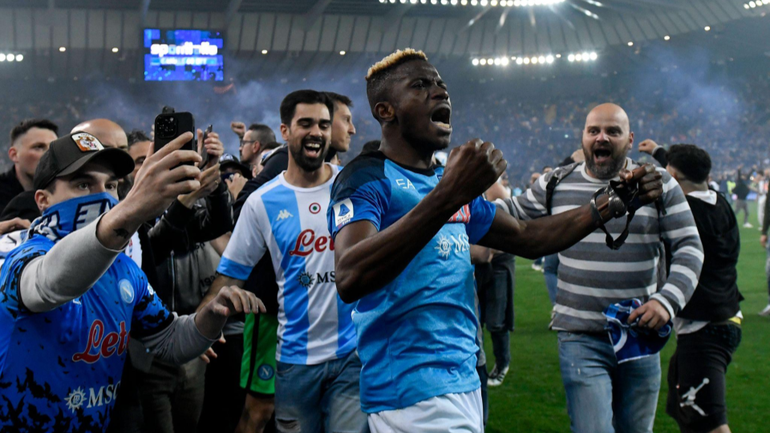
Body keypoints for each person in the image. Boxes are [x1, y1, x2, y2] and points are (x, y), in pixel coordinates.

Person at [328, 49, 663, 432]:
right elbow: (350, 275)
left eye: (441, 84)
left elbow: (527, 236)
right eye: (420, 85)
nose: (440, 92)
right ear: (386, 110)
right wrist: (447, 196)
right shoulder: (367, 177)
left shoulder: (444, 180)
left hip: (463, 373)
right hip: (409, 384)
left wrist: (609, 203)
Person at [0, 131, 263, 431]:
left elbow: (169, 340)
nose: (102, 195)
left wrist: (212, 314)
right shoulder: (20, 256)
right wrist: (133, 208)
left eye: (110, 185)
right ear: (43, 200)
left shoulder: (123, 268)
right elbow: (50, 284)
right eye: (83, 184)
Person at [506, 103, 704, 433]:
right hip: (580, 336)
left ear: (630, 139)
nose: (602, 137)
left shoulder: (659, 185)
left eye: (613, 131)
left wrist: (666, 301)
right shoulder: (555, 183)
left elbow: (690, 247)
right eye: (593, 131)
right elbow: (507, 213)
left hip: (639, 334)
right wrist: (456, 202)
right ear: (583, 137)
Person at [201, 90, 367, 433]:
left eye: (323, 124)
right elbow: (230, 275)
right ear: (285, 131)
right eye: (306, 123)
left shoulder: (355, 185)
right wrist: (200, 326)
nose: (316, 132)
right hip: (294, 359)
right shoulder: (262, 202)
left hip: (352, 355)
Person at [663, 144, 743, 433]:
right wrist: (661, 153)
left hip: (703, 330)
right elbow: (685, 174)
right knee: (687, 415)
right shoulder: (719, 202)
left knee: (712, 425)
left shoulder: (685, 213)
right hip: (726, 317)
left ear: (672, 176)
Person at [0, 119, 58, 213]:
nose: (49, 154)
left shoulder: (67, 189)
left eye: (54, 148)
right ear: (14, 155)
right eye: (39, 147)